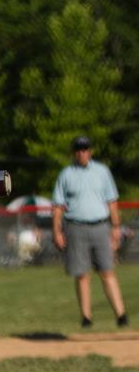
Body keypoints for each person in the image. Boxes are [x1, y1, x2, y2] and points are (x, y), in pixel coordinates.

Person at [52, 136, 128, 328]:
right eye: (78, 149)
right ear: (74, 152)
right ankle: (86, 317)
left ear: (90, 151)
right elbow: (58, 206)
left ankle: (121, 314)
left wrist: (116, 227)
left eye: (85, 149)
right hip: (76, 227)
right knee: (82, 274)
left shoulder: (102, 171)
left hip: (101, 226)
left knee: (107, 271)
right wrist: (57, 230)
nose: (82, 152)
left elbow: (112, 201)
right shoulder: (66, 174)